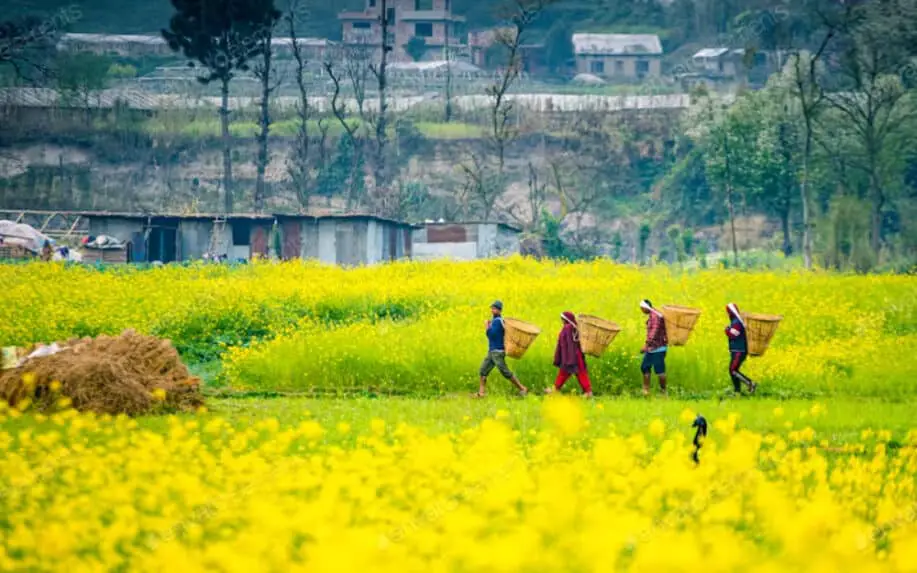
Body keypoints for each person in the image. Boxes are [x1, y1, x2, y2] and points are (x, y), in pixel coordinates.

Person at [476, 300, 528, 398]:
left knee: (505, 372)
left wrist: (486, 326)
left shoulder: (498, 321)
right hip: (492, 351)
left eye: (494, 309)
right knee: (483, 370)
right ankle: (481, 393)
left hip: (498, 351)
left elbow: (491, 335)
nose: (492, 310)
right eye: (492, 308)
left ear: (499, 311)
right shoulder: (496, 321)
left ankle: (522, 388)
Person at [546, 312, 593, 398]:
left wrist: (567, 356)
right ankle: (555, 389)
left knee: (577, 373)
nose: (562, 321)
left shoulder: (568, 328)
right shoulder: (573, 328)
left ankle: (588, 392)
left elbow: (568, 344)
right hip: (573, 355)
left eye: (563, 319)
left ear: (566, 319)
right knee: (570, 373)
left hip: (572, 356)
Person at [725, 303, 757, 394]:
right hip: (738, 350)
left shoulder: (737, 322)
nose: (727, 314)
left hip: (739, 351)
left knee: (733, 370)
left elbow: (733, 334)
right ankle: (737, 391)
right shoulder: (736, 321)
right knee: (733, 371)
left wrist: (727, 329)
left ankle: (750, 383)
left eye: (728, 312)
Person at [639, 299, 668, 397]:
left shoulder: (655, 317)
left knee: (660, 370)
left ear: (645, 307)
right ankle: (646, 391)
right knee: (645, 367)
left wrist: (646, 345)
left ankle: (664, 392)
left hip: (658, 348)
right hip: (651, 349)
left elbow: (654, 333)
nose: (641, 310)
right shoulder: (653, 315)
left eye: (641, 308)